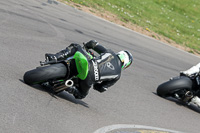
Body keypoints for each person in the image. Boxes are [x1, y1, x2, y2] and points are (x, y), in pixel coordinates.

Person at [45, 40, 133, 99]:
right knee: (81, 95)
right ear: (126, 64)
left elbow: (93, 43)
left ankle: (55, 57)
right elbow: (101, 88)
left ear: (120, 53)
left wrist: (86, 47)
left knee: (75, 46)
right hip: (89, 79)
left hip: (89, 63)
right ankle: (69, 87)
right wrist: (97, 85)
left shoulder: (110, 53)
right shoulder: (117, 75)